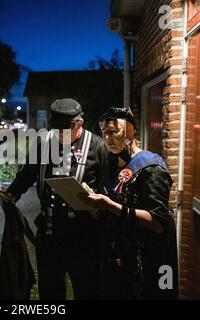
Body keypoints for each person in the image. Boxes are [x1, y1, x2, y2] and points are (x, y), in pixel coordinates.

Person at [0, 98, 108, 300]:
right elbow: (27, 174)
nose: (60, 136)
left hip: (84, 239)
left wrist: (95, 195)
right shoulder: (43, 143)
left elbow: (108, 188)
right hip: (50, 237)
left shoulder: (98, 146)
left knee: (87, 291)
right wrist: (12, 193)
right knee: (50, 292)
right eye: (57, 131)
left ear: (80, 124)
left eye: (65, 131)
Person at [83, 107, 178, 299]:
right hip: (119, 256)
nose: (107, 138)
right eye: (104, 133)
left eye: (113, 132)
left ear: (129, 132)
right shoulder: (110, 164)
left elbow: (159, 223)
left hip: (149, 259)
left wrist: (111, 206)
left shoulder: (151, 167)